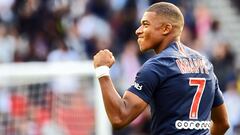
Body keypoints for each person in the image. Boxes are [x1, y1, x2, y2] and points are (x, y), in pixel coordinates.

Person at [93, 2, 229, 135]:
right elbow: (223, 123)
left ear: (166, 29)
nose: (138, 30)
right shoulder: (205, 64)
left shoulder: (157, 66)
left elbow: (119, 117)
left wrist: (102, 70)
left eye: (145, 24)